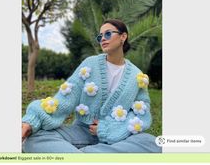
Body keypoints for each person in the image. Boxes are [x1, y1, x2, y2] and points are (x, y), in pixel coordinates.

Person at [22, 19, 161, 153]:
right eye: (100, 36)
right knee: (34, 139)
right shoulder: (90, 64)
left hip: (118, 136)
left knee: (152, 143)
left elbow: (141, 115)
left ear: (123, 37)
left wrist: (109, 129)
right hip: (82, 132)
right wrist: (33, 120)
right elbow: (64, 97)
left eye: (108, 34)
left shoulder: (137, 76)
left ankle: (75, 154)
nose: (103, 39)